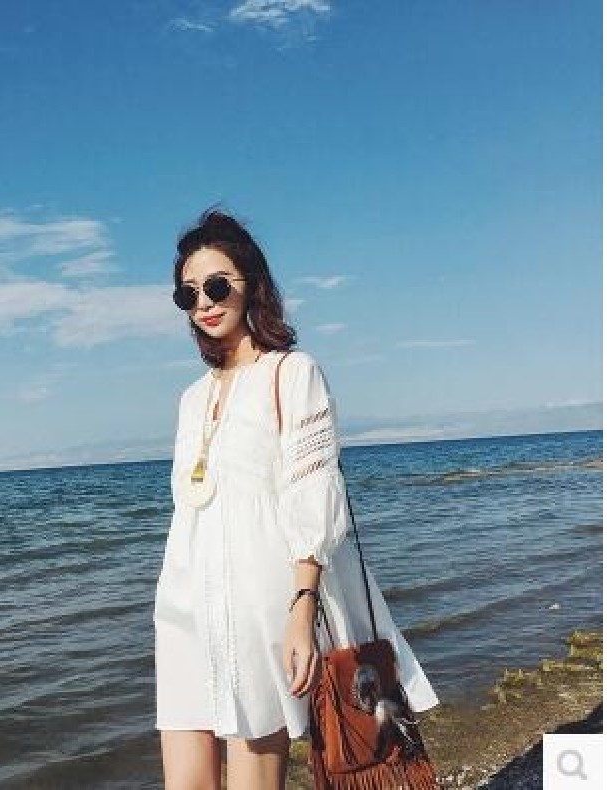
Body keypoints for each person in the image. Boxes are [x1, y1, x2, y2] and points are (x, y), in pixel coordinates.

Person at [154, 207, 440, 790]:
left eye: (216, 286)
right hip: (184, 611)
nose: (204, 303)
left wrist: (302, 606)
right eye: (189, 294)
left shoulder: (292, 373)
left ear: (251, 283)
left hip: (261, 606)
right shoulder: (190, 399)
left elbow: (315, 495)